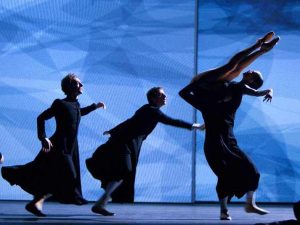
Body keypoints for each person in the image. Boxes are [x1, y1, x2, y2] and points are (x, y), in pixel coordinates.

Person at [179, 32, 279, 220]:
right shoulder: (213, 98)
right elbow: (183, 93)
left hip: (229, 139)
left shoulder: (235, 88)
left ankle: (249, 204)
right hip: (204, 91)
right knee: (232, 67)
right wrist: (195, 88)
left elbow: (252, 90)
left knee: (252, 171)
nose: (249, 72)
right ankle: (259, 46)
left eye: (253, 75)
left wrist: (268, 91)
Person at [86, 87, 202, 216]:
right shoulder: (151, 110)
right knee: (124, 170)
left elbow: (130, 121)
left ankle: (102, 202)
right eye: (161, 95)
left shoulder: (147, 110)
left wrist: (113, 130)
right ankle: (102, 202)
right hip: (124, 143)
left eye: (164, 95)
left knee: (123, 172)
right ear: (153, 98)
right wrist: (193, 126)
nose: (165, 97)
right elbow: (171, 121)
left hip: (130, 144)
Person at [1, 73, 105, 217]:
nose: (81, 85)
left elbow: (79, 113)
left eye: (81, 83)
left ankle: (36, 203)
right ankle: (48, 199)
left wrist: (95, 106)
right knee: (69, 175)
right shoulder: (60, 103)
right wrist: (43, 137)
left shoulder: (75, 104)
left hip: (71, 147)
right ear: (69, 86)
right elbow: (41, 118)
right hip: (58, 146)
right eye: (77, 83)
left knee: (54, 177)